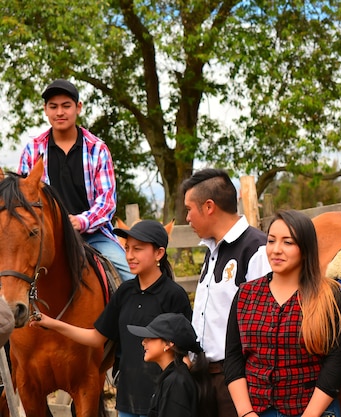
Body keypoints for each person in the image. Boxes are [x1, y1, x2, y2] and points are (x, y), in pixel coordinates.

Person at [30, 220, 192, 417]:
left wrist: (178, 396)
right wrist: (51, 323)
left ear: (159, 253)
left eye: (138, 249)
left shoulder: (174, 295)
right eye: (127, 248)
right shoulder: (124, 292)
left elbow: (186, 354)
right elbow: (96, 338)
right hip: (127, 401)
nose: (129, 256)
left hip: (162, 402)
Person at [224, 209, 341, 417]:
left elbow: (336, 362)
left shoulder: (329, 296)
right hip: (257, 411)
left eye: (288, 242)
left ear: (306, 248)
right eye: (271, 241)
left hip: (314, 411)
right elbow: (233, 358)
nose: (276, 250)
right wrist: (246, 412)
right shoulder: (245, 294)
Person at [17, 78, 133, 282]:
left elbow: (107, 201)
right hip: (45, 236)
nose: (59, 112)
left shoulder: (97, 149)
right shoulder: (33, 150)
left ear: (78, 108)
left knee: (131, 277)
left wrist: (81, 221)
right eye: (53, 107)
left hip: (93, 235)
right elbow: (22, 199)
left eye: (66, 106)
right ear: (45, 110)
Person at [180, 168, 272, 417]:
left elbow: (266, 323)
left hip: (237, 381)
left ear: (209, 206)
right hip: (205, 377)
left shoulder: (257, 250)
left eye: (189, 209)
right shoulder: (212, 251)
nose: (187, 217)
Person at [127, 313, 208, 417]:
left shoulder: (176, 383)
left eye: (150, 337)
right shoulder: (172, 378)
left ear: (168, 343)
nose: (143, 342)